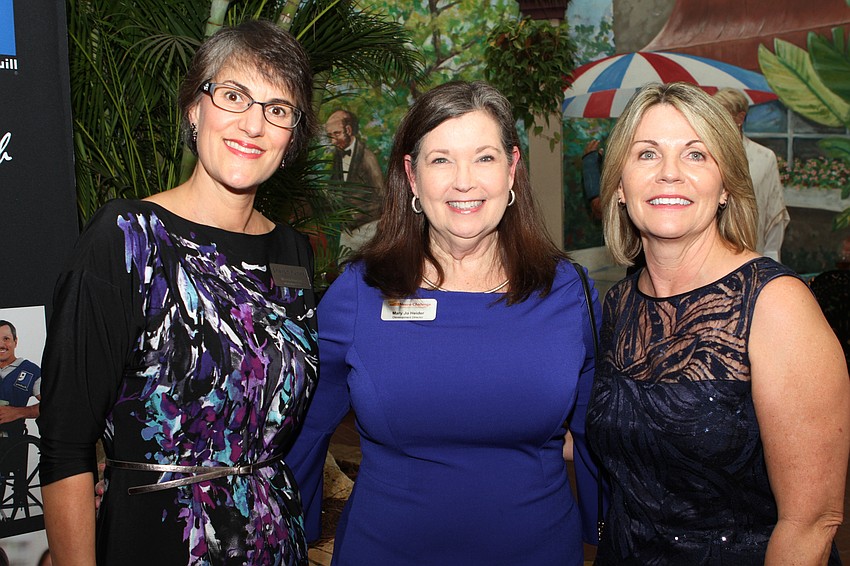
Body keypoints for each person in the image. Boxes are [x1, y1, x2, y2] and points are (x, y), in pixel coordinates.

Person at [285, 80, 602, 565]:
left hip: (537, 550)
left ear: (513, 168)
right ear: (412, 176)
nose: (464, 181)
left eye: (484, 158)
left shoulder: (569, 292)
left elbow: (597, 436)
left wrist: (605, 532)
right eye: (440, 160)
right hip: (387, 551)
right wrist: (290, 536)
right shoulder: (359, 291)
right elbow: (303, 427)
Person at [38, 20, 319, 565]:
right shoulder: (125, 239)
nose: (253, 124)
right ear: (195, 108)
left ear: (290, 138)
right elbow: (66, 445)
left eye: (277, 109)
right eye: (234, 96)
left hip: (275, 541)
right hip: (158, 539)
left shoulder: (293, 253)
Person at [586, 82, 850, 565]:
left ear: (726, 184)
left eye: (695, 155)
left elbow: (812, 522)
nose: (670, 174)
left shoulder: (776, 305)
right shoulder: (619, 303)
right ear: (619, 187)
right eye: (647, 154)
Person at [713, 87, 790, 262]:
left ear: (739, 118)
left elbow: (774, 210)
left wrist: (771, 261)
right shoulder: (704, 154)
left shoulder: (763, 157)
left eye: (722, 115)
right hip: (707, 255)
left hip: (751, 251)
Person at [325, 109, 385, 252]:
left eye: (337, 134)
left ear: (349, 130)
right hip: (348, 229)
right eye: (330, 136)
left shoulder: (367, 157)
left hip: (369, 228)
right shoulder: (338, 156)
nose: (333, 141)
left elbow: (382, 192)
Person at [0, 320, 40, 435]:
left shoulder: (31, 371)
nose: (1, 344)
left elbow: (54, 404)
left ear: (15, 341)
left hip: (14, 444)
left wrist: (18, 412)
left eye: (6, 339)